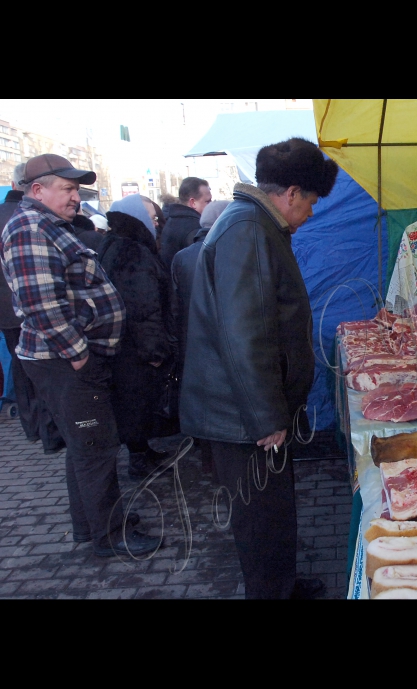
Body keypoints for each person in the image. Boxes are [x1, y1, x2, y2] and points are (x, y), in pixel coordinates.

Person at [179, 138, 338, 599]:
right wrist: (266, 416)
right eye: (309, 202)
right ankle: (271, 591)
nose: (310, 213)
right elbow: (244, 335)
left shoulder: (256, 224)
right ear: (291, 193)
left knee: (273, 507)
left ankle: (281, 584)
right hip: (242, 415)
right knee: (261, 515)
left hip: (251, 409)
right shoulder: (247, 229)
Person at [0, 154, 161, 557]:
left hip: (70, 359)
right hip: (66, 362)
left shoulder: (49, 226)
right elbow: (41, 306)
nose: (76, 198)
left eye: (77, 190)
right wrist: (79, 357)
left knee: (85, 445)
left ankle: (90, 524)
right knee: (96, 446)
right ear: (37, 190)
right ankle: (110, 535)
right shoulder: (30, 229)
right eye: (69, 189)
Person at [100, 194, 177, 478]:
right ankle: (139, 462)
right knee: (137, 403)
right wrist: (155, 351)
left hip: (123, 344)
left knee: (133, 402)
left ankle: (141, 453)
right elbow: (142, 306)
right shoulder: (133, 251)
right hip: (135, 348)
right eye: (152, 217)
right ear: (136, 217)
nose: (157, 223)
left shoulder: (115, 243)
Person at [0, 162, 64, 454]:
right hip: (34, 303)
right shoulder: (34, 217)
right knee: (43, 364)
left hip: (6, 307)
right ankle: (50, 429)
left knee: (19, 364)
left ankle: (31, 425)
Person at [171, 199, 230, 478]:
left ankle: (210, 465)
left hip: (190, 340)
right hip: (221, 340)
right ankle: (225, 468)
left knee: (204, 405)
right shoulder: (228, 253)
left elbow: (174, 305)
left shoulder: (181, 256)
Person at [158, 177, 211, 271]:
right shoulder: (194, 228)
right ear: (193, 202)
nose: (211, 205)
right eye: (207, 201)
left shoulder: (172, 220)